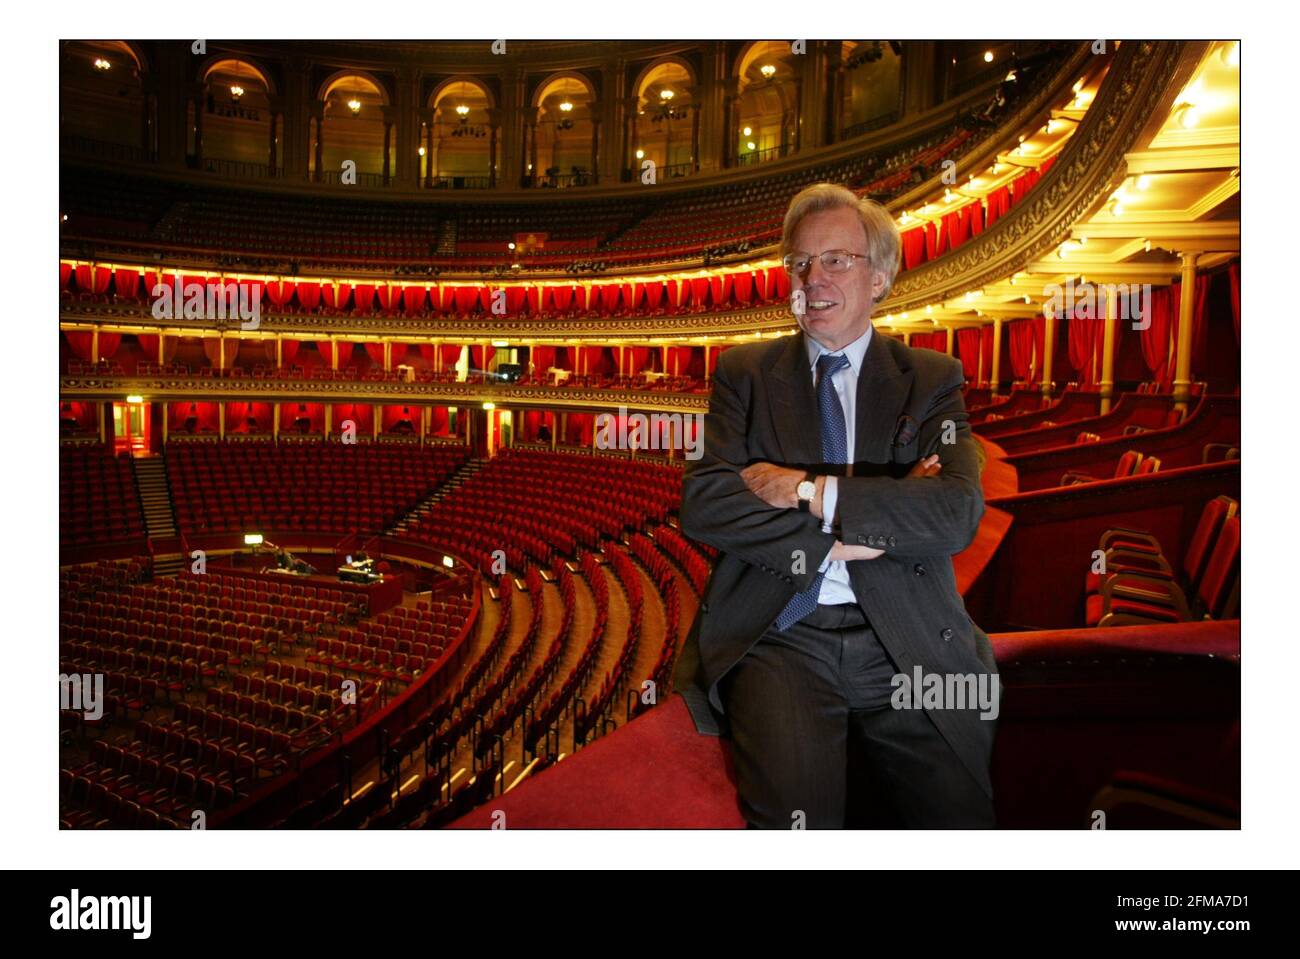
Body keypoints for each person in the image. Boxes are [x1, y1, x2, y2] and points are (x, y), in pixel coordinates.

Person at [671, 182, 1000, 829]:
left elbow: (956, 511)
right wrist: (847, 533)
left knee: (959, 821)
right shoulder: (745, 375)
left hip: (905, 632)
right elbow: (705, 502)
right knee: (800, 823)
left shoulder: (932, 380)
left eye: (835, 260)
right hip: (782, 636)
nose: (812, 278)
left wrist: (807, 490)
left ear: (879, 277)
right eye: (799, 262)